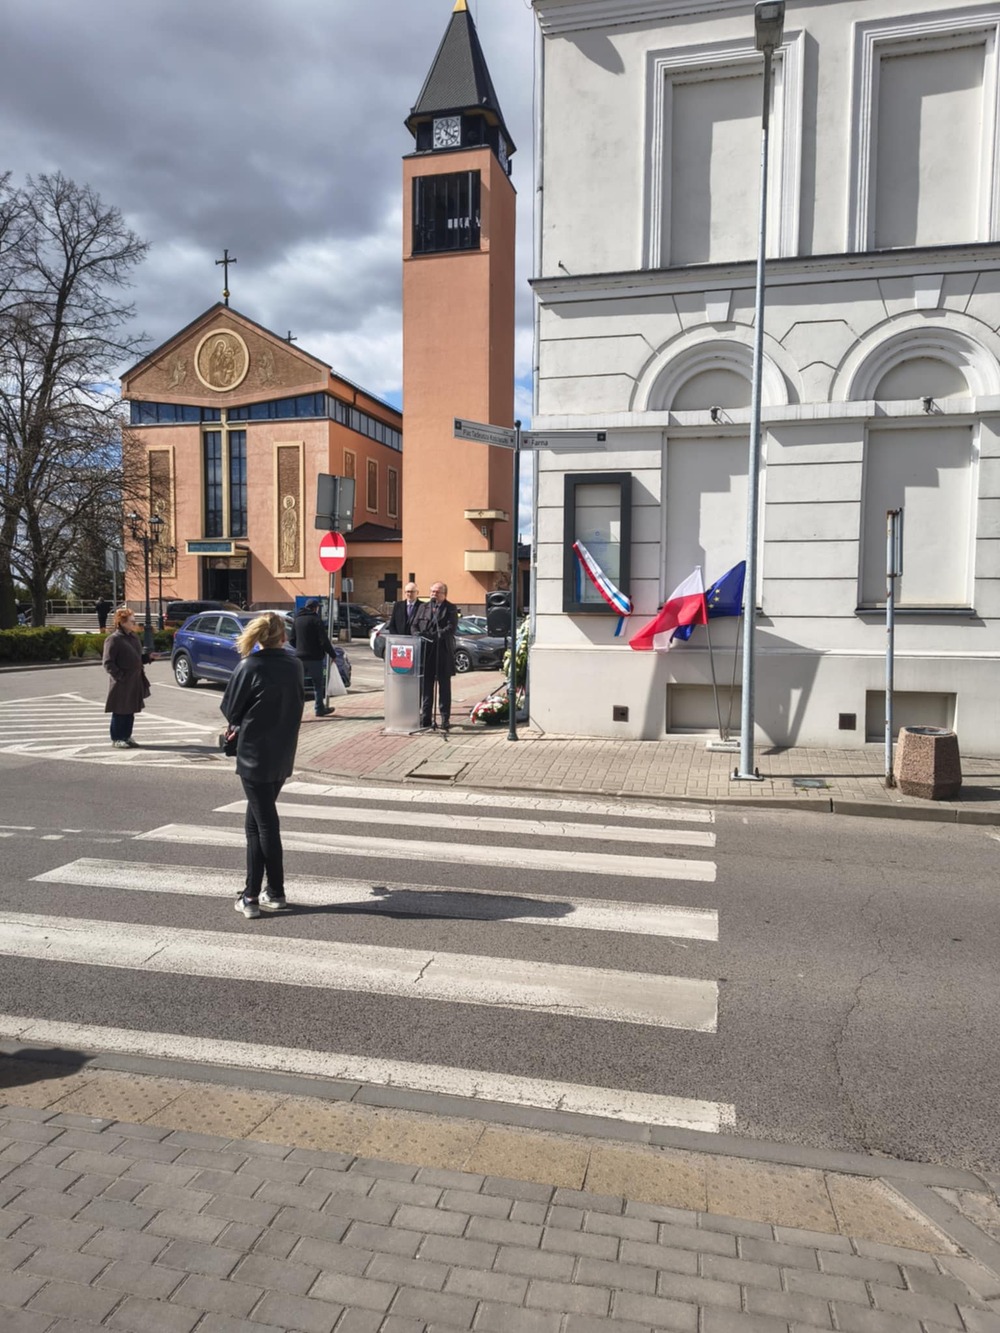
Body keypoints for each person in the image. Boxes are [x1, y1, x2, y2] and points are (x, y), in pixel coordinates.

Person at [220, 612, 304, 919]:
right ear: (283, 637)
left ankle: (263, 894)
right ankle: (262, 892)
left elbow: (230, 708)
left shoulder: (250, 665)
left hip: (254, 754)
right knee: (255, 823)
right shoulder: (294, 665)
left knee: (264, 823)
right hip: (283, 752)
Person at [102, 607, 153, 748]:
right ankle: (117, 738)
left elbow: (136, 658)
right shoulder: (113, 639)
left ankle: (127, 736)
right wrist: (120, 676)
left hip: (134, 679)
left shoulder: (133, 637)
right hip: (121, 681)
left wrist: (148, 658)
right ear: (122, 622)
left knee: (130, 710)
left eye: (134, 621)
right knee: (120, 710)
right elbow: (108, 662)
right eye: (131, 621)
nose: (134, 624)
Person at [412, 580, 459, 730]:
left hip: (442, 652)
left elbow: (451, 628)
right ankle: (425, 718)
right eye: (432, 591)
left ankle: (445, 718)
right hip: (426, 652)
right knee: (426, 687)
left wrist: (435, 635)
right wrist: (418, 634)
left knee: (444, 688)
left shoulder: (450, 608)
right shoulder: (423, 607)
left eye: (437, 592)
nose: (434, 594)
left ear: (444, 594)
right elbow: (413, 624)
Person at [288, 599, 338, 717]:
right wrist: (332, 654)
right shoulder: (316, 620)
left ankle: (295, 711)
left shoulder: (297, 620)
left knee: (299, 686)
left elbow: (291, 639)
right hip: (315, 658)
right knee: (317, 684)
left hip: (300, 657)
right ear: (315, 608)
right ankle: (319, 709)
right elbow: (323, 640)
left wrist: (299, 648)